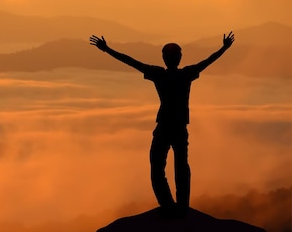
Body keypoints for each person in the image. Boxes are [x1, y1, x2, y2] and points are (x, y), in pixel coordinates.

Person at [89, 32, 235, 217]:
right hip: (180, 128)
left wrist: (107, 49)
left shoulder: (159, 74)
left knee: (158, 167)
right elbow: (208, 61)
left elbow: (131, 62)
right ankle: (181, 207)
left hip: (164, 126)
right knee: (181, 166)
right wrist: (224, 48)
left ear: (164, 58)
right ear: (179, 58)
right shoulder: (186, 74)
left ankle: (168, 206)